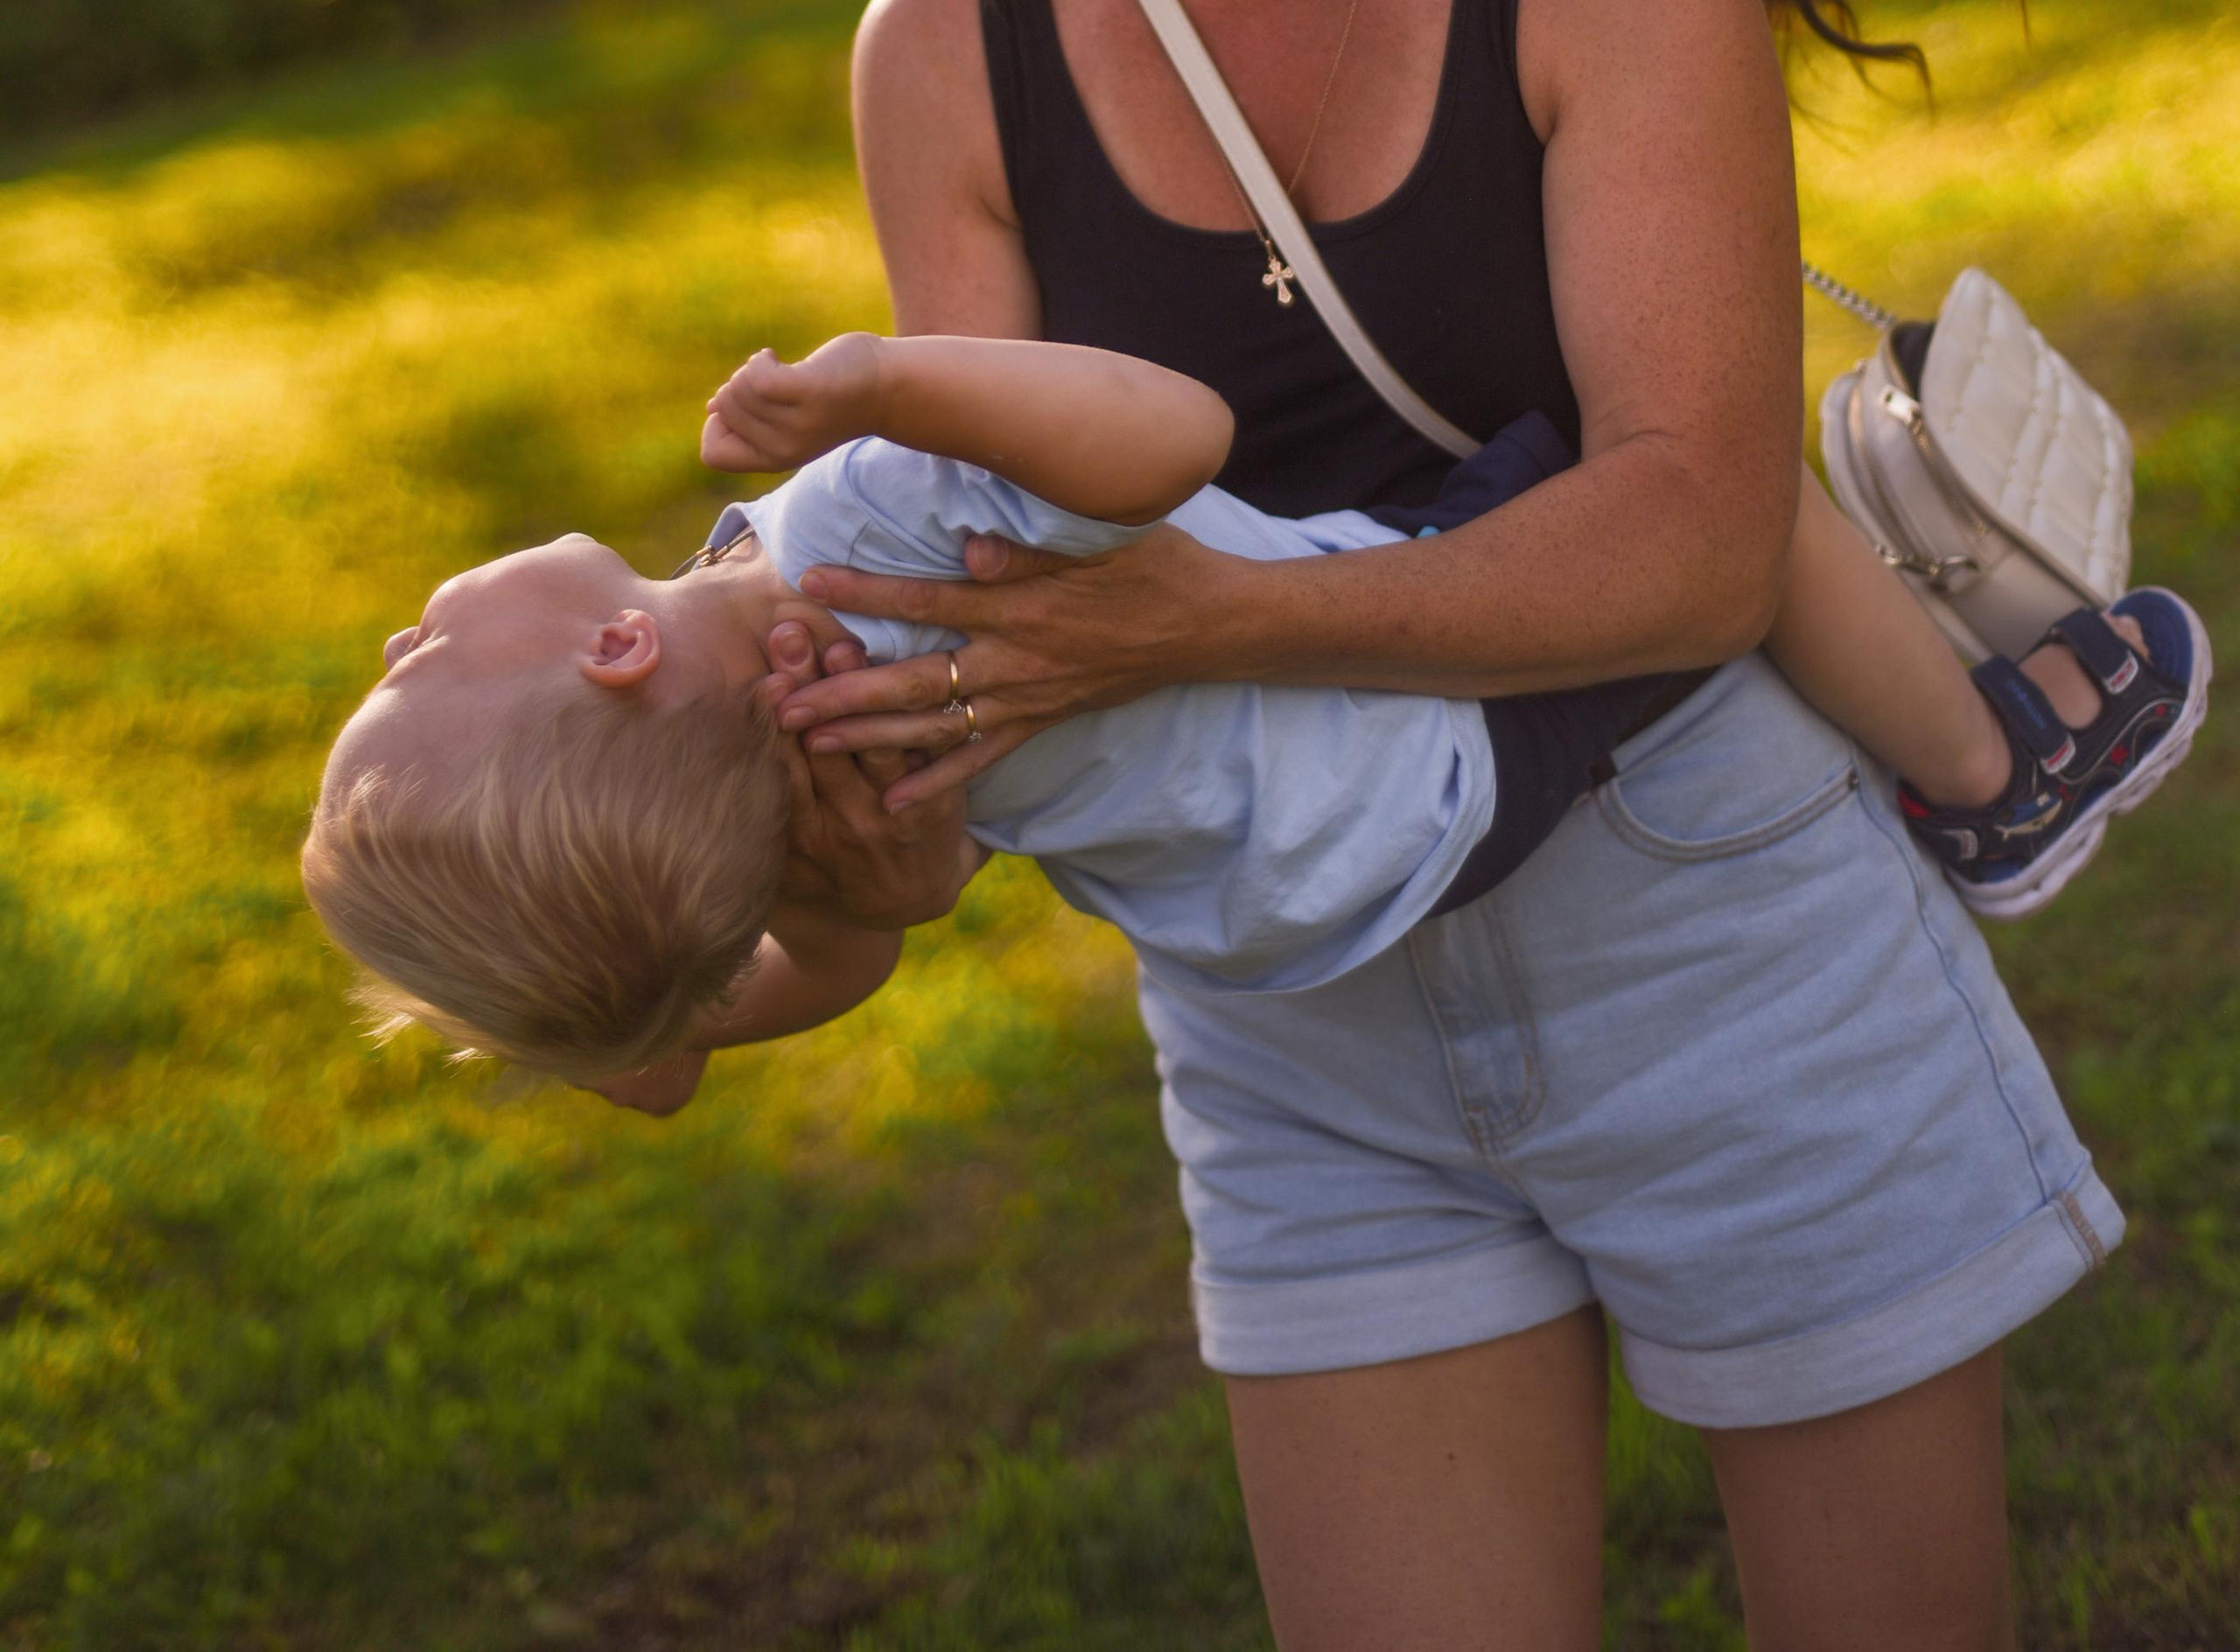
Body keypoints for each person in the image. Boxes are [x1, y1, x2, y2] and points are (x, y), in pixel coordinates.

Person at [744, 0, 2180, 1650]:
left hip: (1717, 930)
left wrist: (1182, 628)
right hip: (1298, 1041)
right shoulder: (946, 52)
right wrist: (847, 840)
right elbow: (1000, 637)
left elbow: (1698, 543)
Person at [301, 329, 2205, 1092]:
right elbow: (1170, 439)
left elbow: (724, 1009)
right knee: (1690, 489)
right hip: (1419, 759)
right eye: (413, 662)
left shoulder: (807, 798)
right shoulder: (871, 530)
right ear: (613, 654)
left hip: (1288, 907)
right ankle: (1988, 773)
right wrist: (897, 376)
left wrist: (638, 1017)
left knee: (1655, 543)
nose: (403, 628)